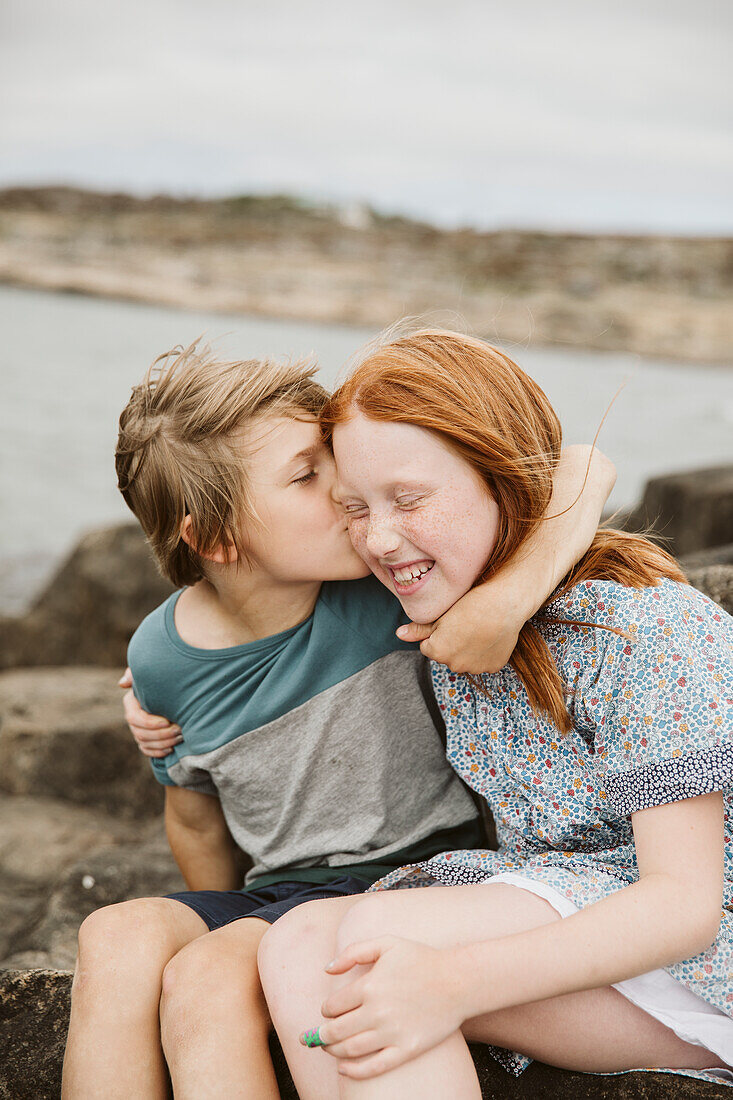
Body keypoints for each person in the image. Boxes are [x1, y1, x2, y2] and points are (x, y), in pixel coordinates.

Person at [62, 339, 613, 1100]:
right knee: (115, 935)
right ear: (217, 540)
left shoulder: (387, 580)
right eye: (306, 475)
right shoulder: (162, 656)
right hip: (280, 890)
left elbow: (584, 466)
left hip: (416, 879)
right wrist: (228, 924)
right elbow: (193, 817)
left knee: (209, 980)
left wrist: (502, 601)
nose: (346, 490)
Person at [257, 329, 733, 1099]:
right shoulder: (448, 621)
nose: (379, 538)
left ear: (506, 483)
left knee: (378, 943)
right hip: (590, 926)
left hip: (704, 949)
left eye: (408, 499)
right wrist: (160, 676)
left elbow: (684, 905)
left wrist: (450, 982)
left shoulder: (647, 631)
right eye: (355, 507)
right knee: (300, 946)